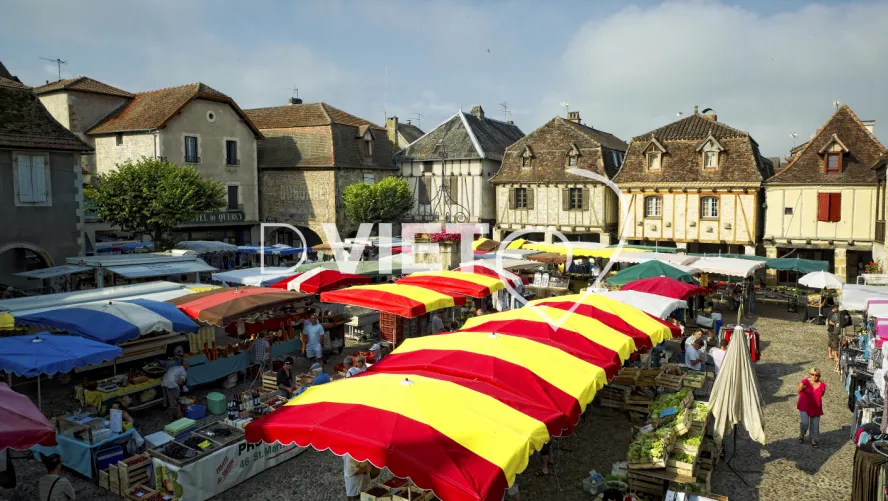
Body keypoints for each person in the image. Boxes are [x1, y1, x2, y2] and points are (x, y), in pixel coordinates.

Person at [797, 367, 826, 448]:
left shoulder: (823, 385)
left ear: (819, 376)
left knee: (815, 425)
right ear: (809, 374)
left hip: (816, 407)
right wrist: (802, 388)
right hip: (804, 406)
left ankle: (814, 440)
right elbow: (798, 391)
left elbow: (821, 395)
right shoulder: (805, 381)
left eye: (816, 375)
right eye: (812, 374)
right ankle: (802, 434)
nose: (814, 376)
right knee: (805, 423)